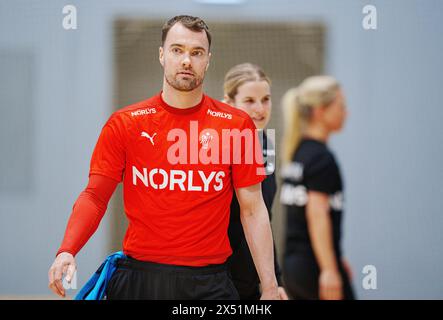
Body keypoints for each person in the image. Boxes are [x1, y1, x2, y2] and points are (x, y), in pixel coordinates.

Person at [48, 15, 280, 300]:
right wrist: (67, 249)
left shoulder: (236, 125)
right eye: (177, 50)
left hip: (208, 283)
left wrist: (269, 286)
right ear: (162, 55)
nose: (186, 60)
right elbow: (95, 196)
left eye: (196, 53)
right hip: (138, 280)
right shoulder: (125, 123)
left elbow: (254, 210)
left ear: (208, 59)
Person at [279, 76, 355, 300]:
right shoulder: (321, 158)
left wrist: (334, 258)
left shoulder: (299, 152)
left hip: (294, 267)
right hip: (314, 267)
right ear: (320, 111)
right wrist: (329, 270)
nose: (346, 113)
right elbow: (317, 215)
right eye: (341, 106)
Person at [223, 63, 288, 300]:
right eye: (249, 100)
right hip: (218, 282)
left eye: (266, 99)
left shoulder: (264, 145)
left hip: (251, 283)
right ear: (229, 103)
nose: (260, 109)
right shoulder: (218, 149)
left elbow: (264, 217)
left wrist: (274, 280)